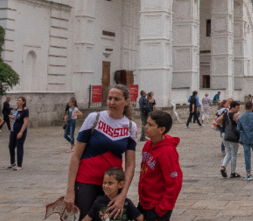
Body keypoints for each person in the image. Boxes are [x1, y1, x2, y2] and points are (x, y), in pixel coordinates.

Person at [64, 85, 137, 220]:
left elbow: (131, 164)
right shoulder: (94, 118)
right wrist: (69, 191)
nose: (111, 102)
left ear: (126, 102)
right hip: (86, 181)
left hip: (113, 186)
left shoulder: (131, 127)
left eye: (116, 99)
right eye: (109, 98)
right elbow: (76, 155)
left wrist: (123, 194)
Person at [138, 110, 182, 220]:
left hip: (158, 206)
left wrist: (162, 208)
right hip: (144, 202)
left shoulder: (167, 152)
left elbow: (174, 182)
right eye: (147, 123)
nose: (146, 127)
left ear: (161, 130)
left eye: (150, 125)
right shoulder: (148, 144)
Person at [220, 101, 241, 179]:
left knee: (228, 152)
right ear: (233, 107)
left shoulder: (225, 114)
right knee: (234, 154)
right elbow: (239, 125)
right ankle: (232, 172)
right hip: (233, 136)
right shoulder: (235, 115)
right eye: (237, 108)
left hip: (225, 135)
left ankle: (223, 167)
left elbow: (218, 120)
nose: (238, 110)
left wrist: (223, 126)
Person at [8, 96, 29, 171]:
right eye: (17, 100)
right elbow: (16, 118)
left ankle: (19, 165)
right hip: (13, 130)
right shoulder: (16, 110)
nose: (18, 101)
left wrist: (21, 132)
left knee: (19, 147)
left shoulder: (25, 110)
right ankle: (12, 162)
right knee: (11, 146)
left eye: (19, 100)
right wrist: (11, 117)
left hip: (20, 131)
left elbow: (25, 122)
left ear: (23, 102)